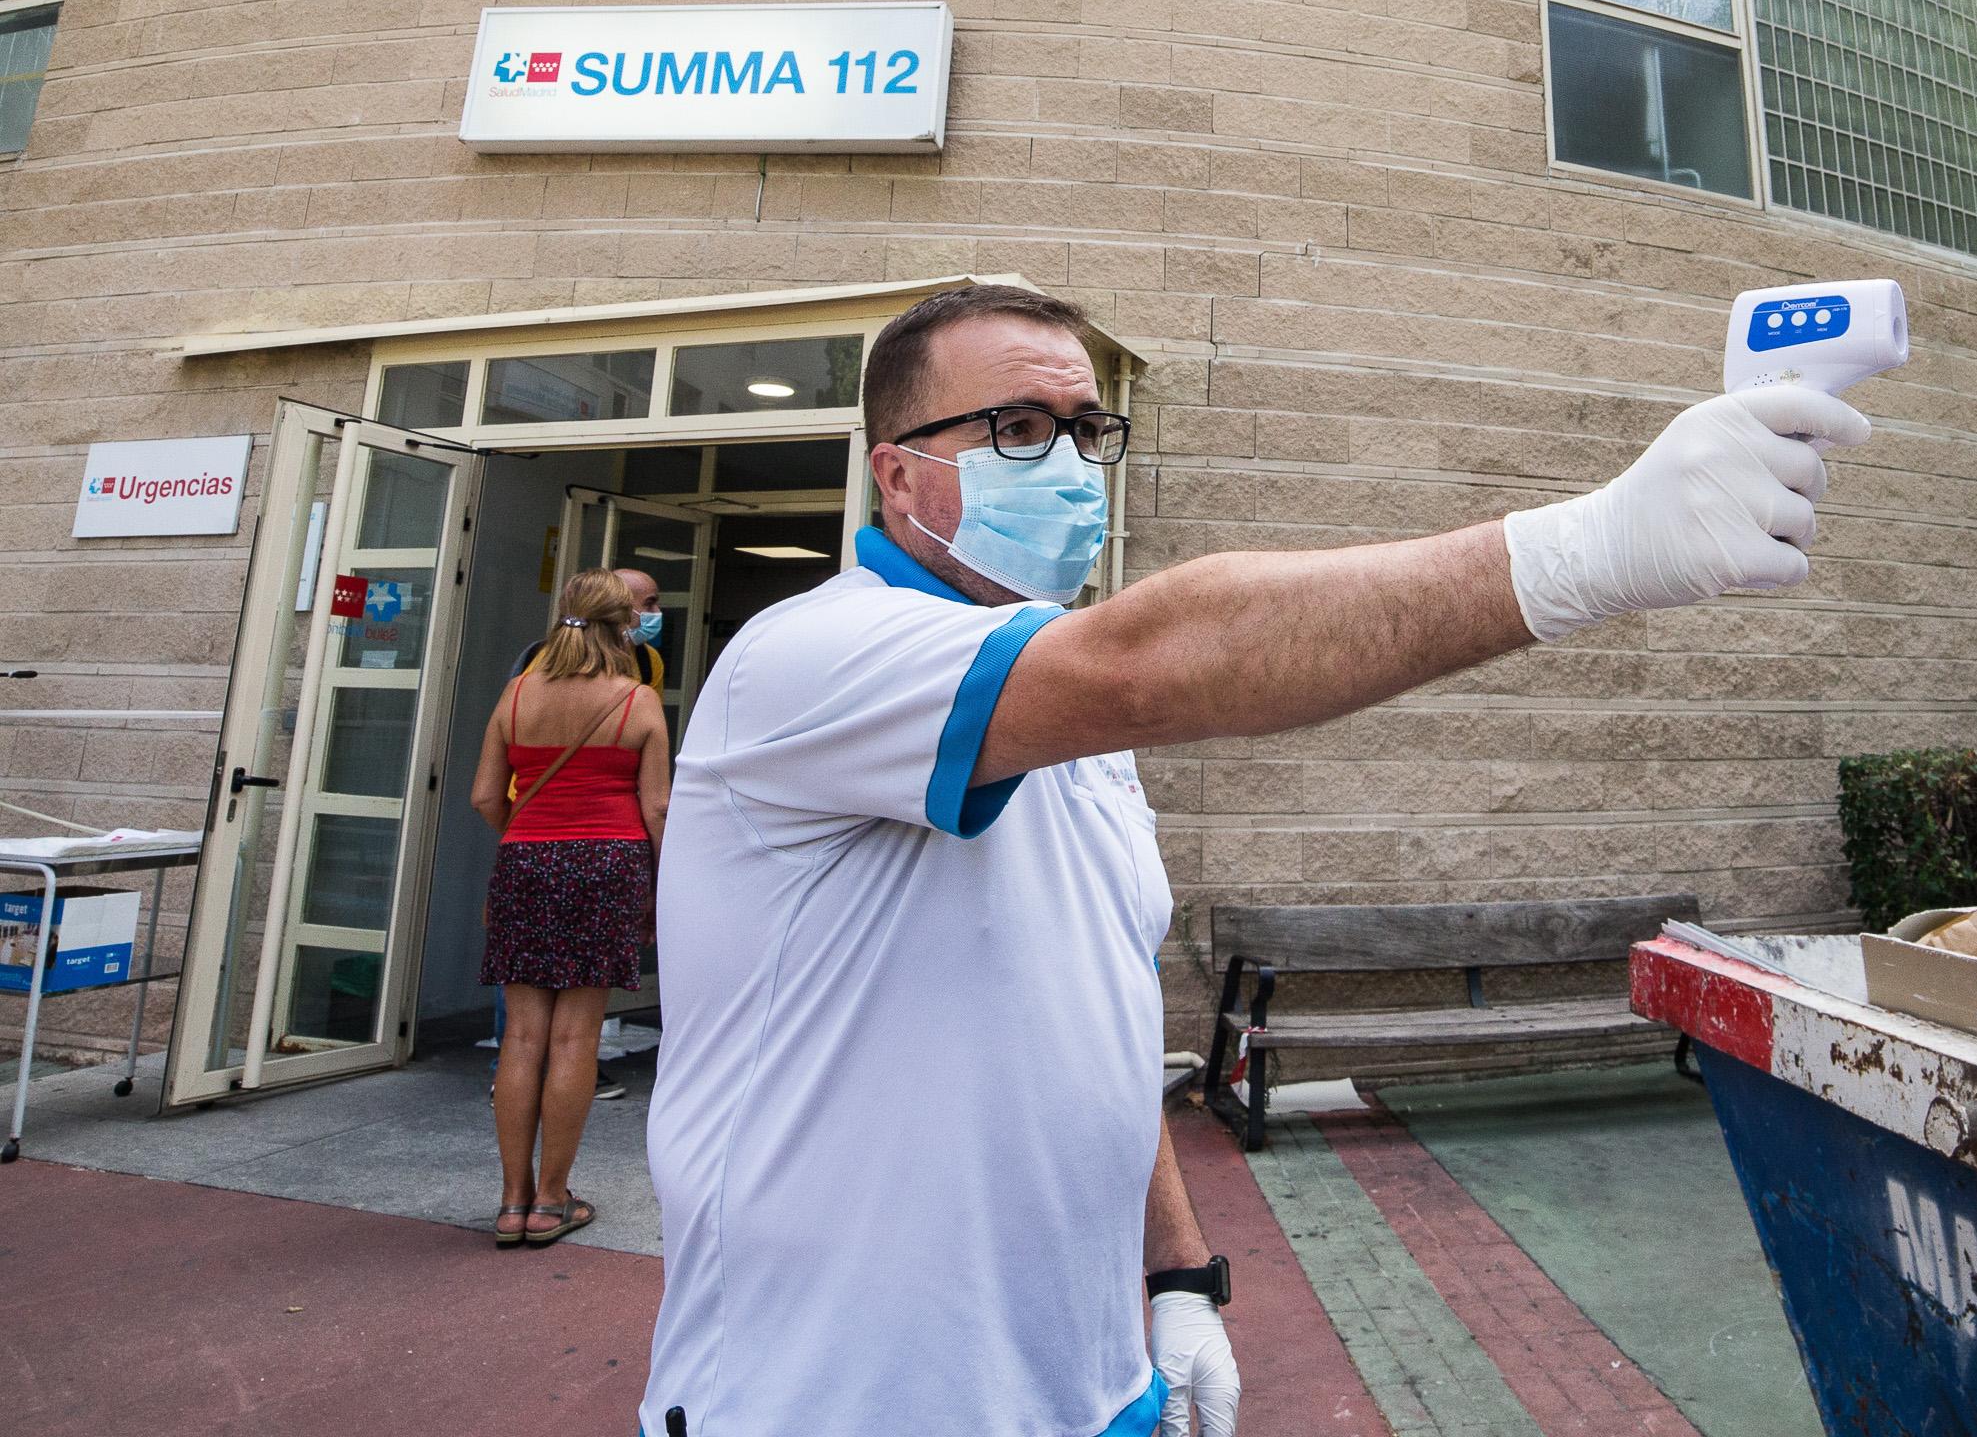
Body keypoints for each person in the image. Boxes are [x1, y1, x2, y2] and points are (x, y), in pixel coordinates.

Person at [640, 282, 1865, 1437]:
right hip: (832, 1392)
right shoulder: (811, 658)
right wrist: (1590, 547)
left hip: (1085, 1382)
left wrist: (1177, 1272)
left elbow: (1097, 1014)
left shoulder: (1073, 726)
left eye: (1083, 427)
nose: (1067, 464)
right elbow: (1159, 653)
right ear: (896, 470)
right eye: (1016, 427)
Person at [471, 568, 672, 1250]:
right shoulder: (637, 702)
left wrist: (531, 841)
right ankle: (553, 1199)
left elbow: (484, 797)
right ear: (623, 627)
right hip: (607, 865)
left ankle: (510, 1201)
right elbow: (658, 808)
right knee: (575, 1039)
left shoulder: (516, 694)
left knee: (522, 1036)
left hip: (526, 861)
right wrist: (657, 884)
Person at [513, 562, 667, 689]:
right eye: (649, 603)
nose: (657, 611)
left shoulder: (648, 660)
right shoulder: (555, 655)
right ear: (619, 607)